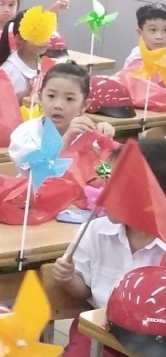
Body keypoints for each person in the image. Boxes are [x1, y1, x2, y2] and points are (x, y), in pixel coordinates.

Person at [52, 139, 166, 357]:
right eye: (108, 181)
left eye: (119, 187)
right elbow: (85, 291)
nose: (105, 193)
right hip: (98, 332)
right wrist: (69, 279)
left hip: (154, 344)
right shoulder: (95, 231)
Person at [9, 63, 115, 176]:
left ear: (84, 105)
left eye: (69, 99)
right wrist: (67, 138)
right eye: (51, 96)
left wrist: (104, 138)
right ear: (40, 98)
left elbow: (104, 174)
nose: (58, 105)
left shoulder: (88, 134)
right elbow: (38, 173)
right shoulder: (27, 133)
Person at [0, 9, 51, 99]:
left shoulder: (42, 64)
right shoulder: (7, 71)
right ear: (20, 39)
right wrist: (27, 91)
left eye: (46, 33)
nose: (44, 40)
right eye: (36, 35)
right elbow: (1, 103)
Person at [125, 2, 166, 67]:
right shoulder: (135, 57)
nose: (159, 37)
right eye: (153, 30)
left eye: (165, 30)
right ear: (140, 33)